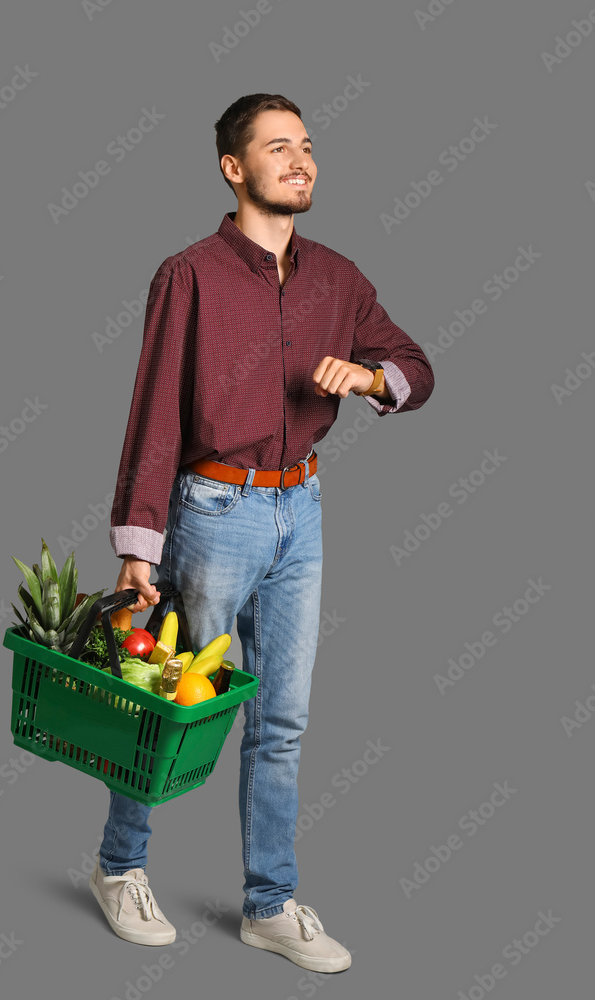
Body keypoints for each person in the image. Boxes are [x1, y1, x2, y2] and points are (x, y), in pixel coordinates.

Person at [89, 93, 434, 973]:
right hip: (213, 511)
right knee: (175, 702)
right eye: (279, 148)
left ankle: (268, 903)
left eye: (309, 146)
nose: (301, 160)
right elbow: (154, 413)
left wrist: (365, 374)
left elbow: (416, 368)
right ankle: (120, 866)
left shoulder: (339, 279)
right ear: (233, 168)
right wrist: (139, 549)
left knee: (281, 719)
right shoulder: (190, 274)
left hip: (303, 512)